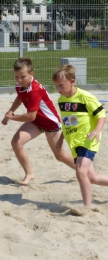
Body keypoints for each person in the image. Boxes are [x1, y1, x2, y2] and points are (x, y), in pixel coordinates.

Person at [1, 58, 75, 185]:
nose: (19, 80)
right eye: (16, 76)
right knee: (16, 143)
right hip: (37, 122)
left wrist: (13, 117)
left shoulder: (34, 90)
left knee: (60, 156)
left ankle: (85, 169)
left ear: (31, 74)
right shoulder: (21, 85)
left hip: (50, 123)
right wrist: (10, 112)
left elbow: (30, 117)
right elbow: (20, 96)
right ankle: (30, 173)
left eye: (22, 76)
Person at [53, 64, 108, 211]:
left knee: (80, 171)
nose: (59, 89)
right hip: (74, 142)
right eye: (56, 86)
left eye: (62, 85)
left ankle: (86, 207)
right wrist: (61, 139)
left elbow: (101, 115)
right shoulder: (61, 101)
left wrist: (96, 130)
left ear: (73, 81)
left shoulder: (85, 97)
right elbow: (66, 122)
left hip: (88, 140)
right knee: (92, 177)